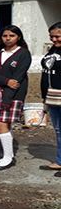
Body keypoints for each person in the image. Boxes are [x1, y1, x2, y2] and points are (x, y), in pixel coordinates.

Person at [0, 25, 31, 170]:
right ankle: (8, 155)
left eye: (11, 35)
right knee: (4, 124)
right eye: (5, 36)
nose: (8, 38)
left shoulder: (23, 54)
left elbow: (17, 79)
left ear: (18, 37)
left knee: (0, 124)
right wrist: (6, 81)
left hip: (13, 94)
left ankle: (7, 158)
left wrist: (7, 97)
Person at [40, 22, 61, 175]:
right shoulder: (52, 50)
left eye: (57, 36)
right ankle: (60, 161)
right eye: (51, 36)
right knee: (59, 130)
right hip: (52, 96)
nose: (54, 39)